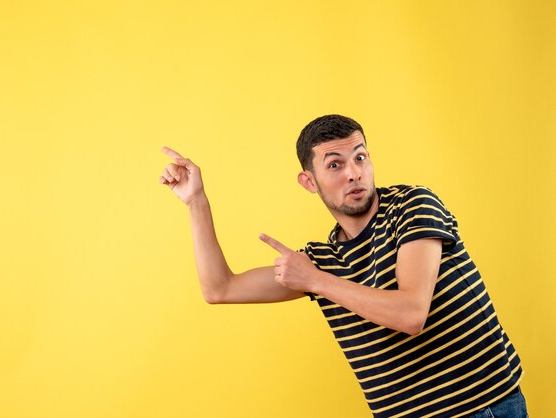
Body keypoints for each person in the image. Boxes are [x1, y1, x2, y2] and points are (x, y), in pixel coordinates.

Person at [159, 114, 526, 417]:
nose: (353, 173)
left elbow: (411, 313)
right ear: (309, 181)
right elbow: (220, 289)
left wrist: (316, 281)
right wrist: (196, 202)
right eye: (335, 164)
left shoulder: (413, 206)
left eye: (360, 158)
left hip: (481, 408)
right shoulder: (322, 260)